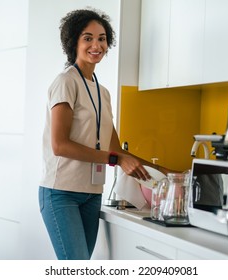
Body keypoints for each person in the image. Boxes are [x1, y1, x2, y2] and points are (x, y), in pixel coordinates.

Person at [39, 8, 173, 260]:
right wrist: (116, 160)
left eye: (101, 38)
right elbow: (60, 145)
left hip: (92, 194)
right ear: (73, 42)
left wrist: (168, 172)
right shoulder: (65, 82)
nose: (96, 44)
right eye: (87, 38)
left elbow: (118, 151)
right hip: (61, 193)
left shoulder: (103, 93)